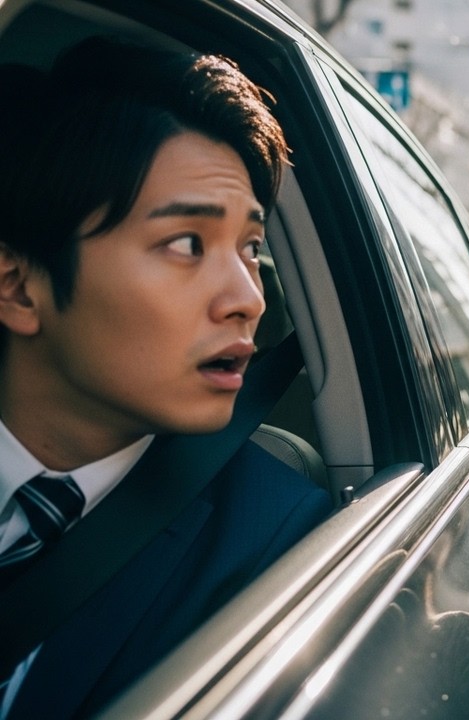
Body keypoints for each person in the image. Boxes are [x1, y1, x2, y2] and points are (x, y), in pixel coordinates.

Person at [0, 36, 331, 718]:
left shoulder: (275, 545)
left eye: (252, 248)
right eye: (187, 244)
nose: (249, 298)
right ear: (19, 288)